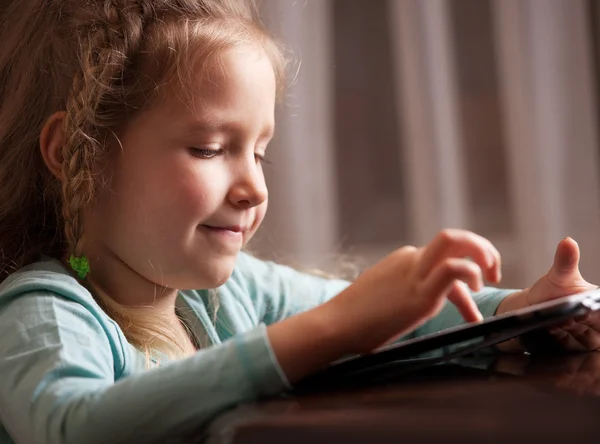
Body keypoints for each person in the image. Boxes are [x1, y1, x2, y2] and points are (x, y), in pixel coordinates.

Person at [0, 1, 598, 443]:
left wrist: (515, 313)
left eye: (259, 153)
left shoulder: (228, 296)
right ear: (76, 149)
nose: (254, 187)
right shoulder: (45, 310)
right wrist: (325, 331)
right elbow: (74, 427)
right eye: (209, 148)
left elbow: (394, 317)